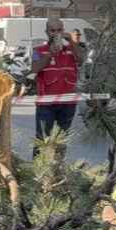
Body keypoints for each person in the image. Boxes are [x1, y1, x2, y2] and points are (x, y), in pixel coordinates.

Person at [31, 18, 85, 157]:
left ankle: (57, 171)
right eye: (52, 30)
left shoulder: (71, 50)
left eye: (59, 30)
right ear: (46, 32)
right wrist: (50, 54)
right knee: (42, 140)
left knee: (61, 142)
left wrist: (71, 42)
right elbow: (35, 68)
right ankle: (37, 171)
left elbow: (83, 59)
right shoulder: (39, 50)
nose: (56, 33)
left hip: (68, 103)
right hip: (46, 104)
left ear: (63, 30)